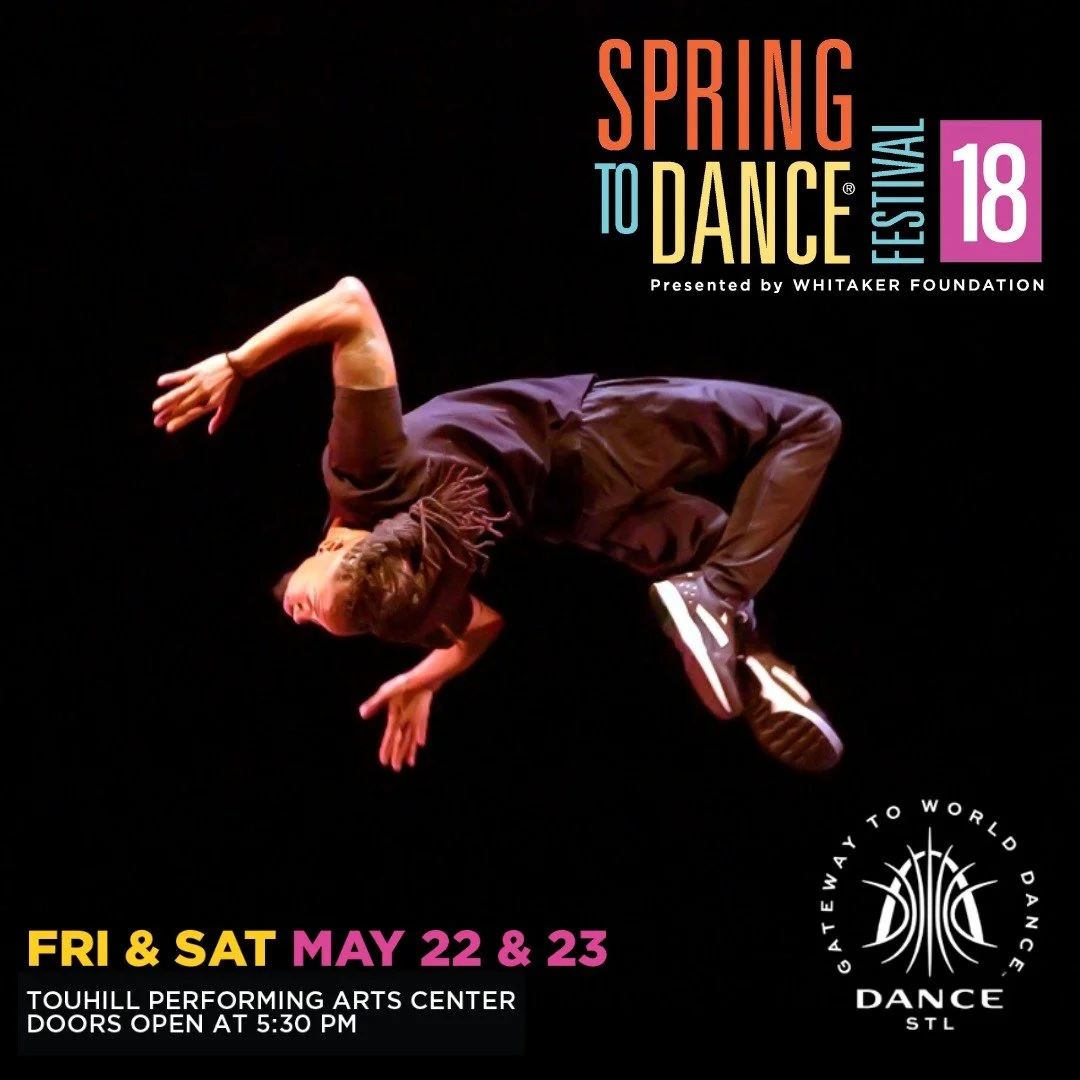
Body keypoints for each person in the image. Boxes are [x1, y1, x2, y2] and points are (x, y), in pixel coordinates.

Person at [152, 276, 845, 775]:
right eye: (337, 619)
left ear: (335, 543)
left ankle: (756, 661)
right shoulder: (369, 492)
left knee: (719, 543)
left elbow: (480, 626)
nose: (301, 616)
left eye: (306, 609)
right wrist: (237, 364)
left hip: (579, 510)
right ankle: (719, 605)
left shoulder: (392, 528)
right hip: (584, 441)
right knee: (809, 424)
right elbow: (352, 303)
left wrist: (429, 672)